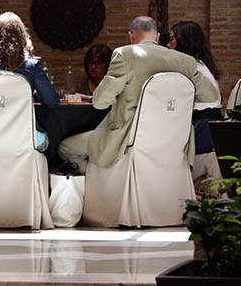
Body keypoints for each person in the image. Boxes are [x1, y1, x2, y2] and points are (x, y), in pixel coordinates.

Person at [58, 16, 219, 173]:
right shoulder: (185, 61)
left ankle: (110, 182)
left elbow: (100, 102)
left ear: (131, 35)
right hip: (173, 141)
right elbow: (210, 95)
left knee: (66, 147)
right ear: (157, 37)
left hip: (129, 139)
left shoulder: (124, 55)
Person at [0, 11, 59, 151]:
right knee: (45, 142)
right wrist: (31, 94)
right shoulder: (32, 66)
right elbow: (52, 102)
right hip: (25, 138)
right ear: (22, 37)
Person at [168, 21, 222, 154]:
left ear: (183, 42)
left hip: (201, 132)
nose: (168, 45)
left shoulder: (191, 69)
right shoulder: (200, 65)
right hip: (209, 129)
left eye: (172, 39)